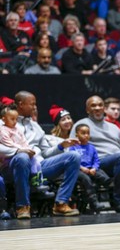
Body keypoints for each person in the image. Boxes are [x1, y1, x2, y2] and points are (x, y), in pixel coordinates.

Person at [0, 91, 81, 219]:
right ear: (21, 104)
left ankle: (61, 203)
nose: (34, 107)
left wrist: (61, 146)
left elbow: (45, 153)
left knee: (73, 157)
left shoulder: (35, 126)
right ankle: (22, 206)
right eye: (32, 104)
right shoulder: (3, 123)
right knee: (23, 157)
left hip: (38, 165)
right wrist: (18, 151)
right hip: (13, 166)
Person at [0, 105, 54, 199]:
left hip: (23, 154)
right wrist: (21, 149)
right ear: (3, 119)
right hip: (9, 160)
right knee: (23, 157)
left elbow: (24, 140)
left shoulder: (17, 129)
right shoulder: (2, 130)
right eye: (12, 119)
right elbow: (7, 143)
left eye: (16, 119)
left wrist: (28, 149)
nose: (15, 122)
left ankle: (37, 182)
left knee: (35, 160)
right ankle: (23, 201)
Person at [69, 124, 110, 212]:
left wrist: (94, 168)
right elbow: (72, 161)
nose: (86, 135)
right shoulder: (73, 147)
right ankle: (94, 201)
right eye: (83, 133)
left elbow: (96, 161)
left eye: (88, 133)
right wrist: (82, 168)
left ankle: (110, 186)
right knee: (86, 179)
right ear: (77, 135)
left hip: (90, 169)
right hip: (79, 170)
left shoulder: (92, 148)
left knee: (101, 173)